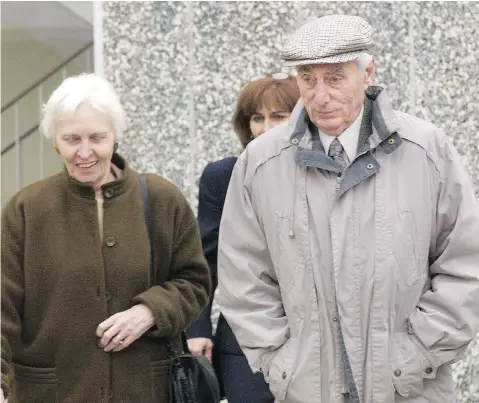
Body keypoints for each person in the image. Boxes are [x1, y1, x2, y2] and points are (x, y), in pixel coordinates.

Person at [218, 14, 479, 403]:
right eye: (308, 78)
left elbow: (465, 265)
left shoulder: (427, 151)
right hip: (307, 390)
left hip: (410, 389)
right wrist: (281, 362)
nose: (320, 96)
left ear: (367, 71)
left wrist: (417, 355)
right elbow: (244, 279)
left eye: (335, 77)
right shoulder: (260, 163)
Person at [1, 73, 211, 403]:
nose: (85, 152)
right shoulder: (26, 209)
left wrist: (151, 312)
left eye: (97, 137)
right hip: (52, 392)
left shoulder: (161, 199)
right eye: (72, 139)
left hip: (145, 390)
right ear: (55, 141)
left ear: (115, 137)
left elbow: (195, 283)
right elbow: (2, 304)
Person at [186, 73, 300, 403]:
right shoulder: (223, 177)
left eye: (279, 117)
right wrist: (197, 330)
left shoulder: (324, 175)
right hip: (242, 343)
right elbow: (204, 261)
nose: (265, 128)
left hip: (313, 341)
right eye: (257, 118)